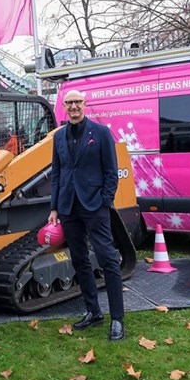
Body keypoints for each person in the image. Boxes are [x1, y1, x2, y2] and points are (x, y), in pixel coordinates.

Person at [47, 90, 126, 341]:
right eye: (69, 103)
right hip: (68, 208)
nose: (73, 106)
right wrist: (54, 207)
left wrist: (105, 201)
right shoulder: (58, 137)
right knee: (79, 260)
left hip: (95, 206)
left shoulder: (101, 133)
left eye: (77, 102)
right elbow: (57, 174)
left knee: (108, 259)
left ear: (84, 104)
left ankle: (117, 319)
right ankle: (93, 311)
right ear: (65, 106)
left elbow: (111, 171)